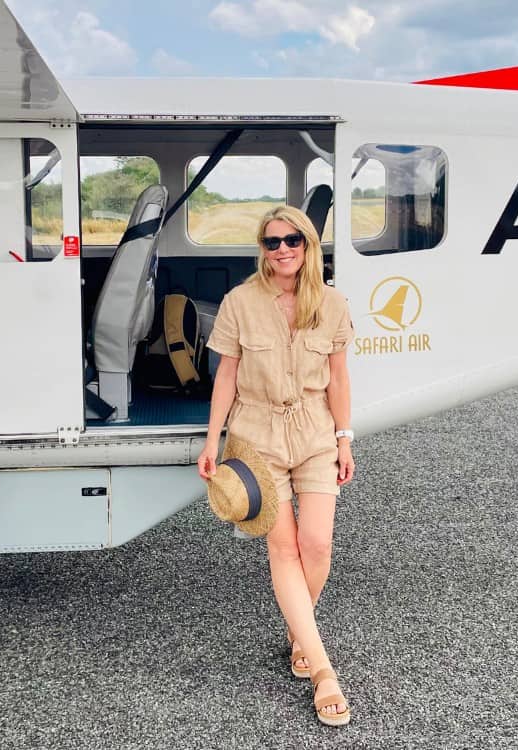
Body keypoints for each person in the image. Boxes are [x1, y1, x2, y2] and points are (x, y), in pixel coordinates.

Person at [196, 205, 355, 727]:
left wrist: (344, 438)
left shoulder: (330, 303)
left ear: (308, 245)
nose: (282, 249)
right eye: (271, 242)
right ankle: (323, 670)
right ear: (262, 250)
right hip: (257, 435)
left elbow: (338, 379)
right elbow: (225, 376)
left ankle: (298, 627)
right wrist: (213, 440)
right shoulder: (239, 302)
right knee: (283, 548)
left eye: (292, 240)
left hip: (313, 432)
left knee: (318, 545)